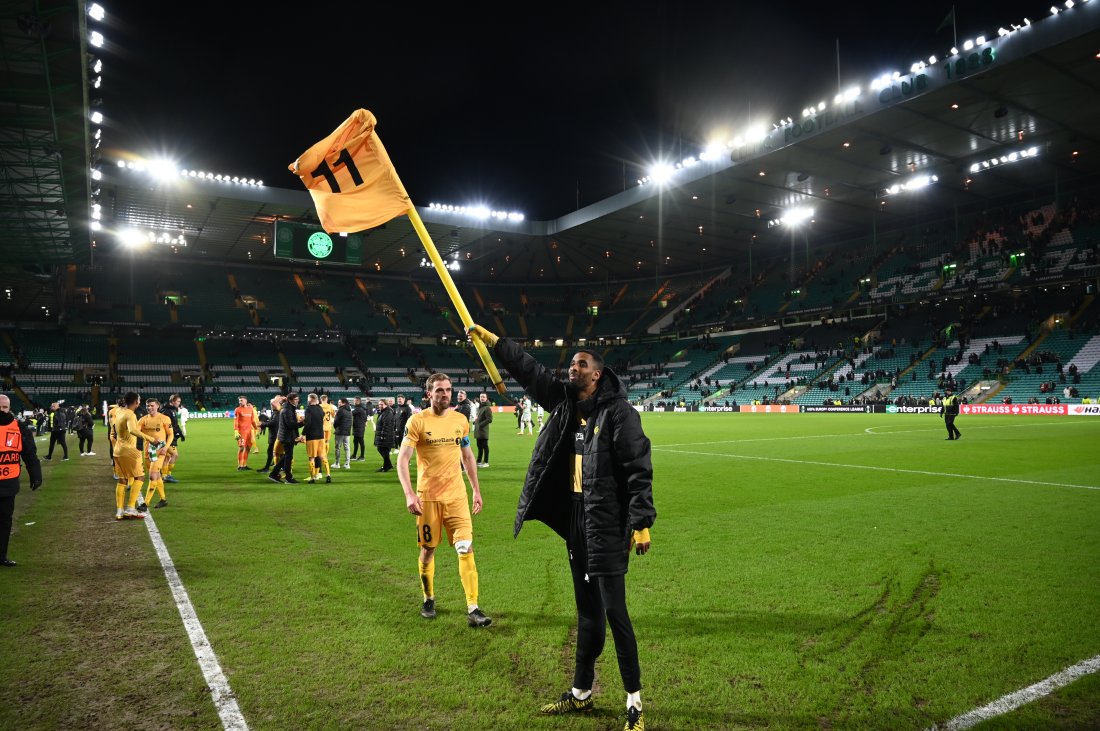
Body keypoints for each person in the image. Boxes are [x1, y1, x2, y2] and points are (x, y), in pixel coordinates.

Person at [471, 324, 654, 731]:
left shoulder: (619, 413)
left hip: (607, 524)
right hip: (575, 519)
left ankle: (635, 702)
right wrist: (496, 343)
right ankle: (581, 694)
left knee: (615, 613)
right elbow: (531, 372)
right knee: (587, 614)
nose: (573, 369)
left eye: (581, 364)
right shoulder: (565, 403)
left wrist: (640, 524)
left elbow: (638, 470)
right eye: (571, 364)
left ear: (598, 374)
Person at [397, 373, 491, 628]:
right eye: (439, 390)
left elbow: (468, 457)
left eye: (448, 390)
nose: (445, 394)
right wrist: (409, 493)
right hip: (428, 499)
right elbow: (402, 460)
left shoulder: (460, 421)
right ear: (429, 394)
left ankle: (473, 607)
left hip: (457, 497)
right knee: (428, 550)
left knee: (465, 547)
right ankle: (428, 597)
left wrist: (476, 490)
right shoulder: (416, 422)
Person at [0, 394, 43, 567]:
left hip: (8, 484)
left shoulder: (19, 427)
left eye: (4, 407)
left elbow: (29, 454)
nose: (1, 410)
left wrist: (36, 474)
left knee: (4, 521)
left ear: (9, 408)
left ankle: (1, 556)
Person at [112, 392, 166, 520]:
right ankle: (130, 508)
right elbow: (132, 430)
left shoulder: (119, 411)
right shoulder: (130, 414)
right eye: (139, 400)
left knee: (123, 480)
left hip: (117, 450)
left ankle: (119, 511)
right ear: (136, 402)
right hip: (129, 450)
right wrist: (151, 439)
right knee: (140, 477)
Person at [138, 398, 173, 508]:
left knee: (153, 476)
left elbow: (170, 434)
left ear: (158, 406)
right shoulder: (143, 420)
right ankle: (163, 499)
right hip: (148, 452)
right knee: (156, 476)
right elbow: (135, 432)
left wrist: (166, 448)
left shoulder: (165, 419)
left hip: (160, 451)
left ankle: (145, 503)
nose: (149, 408)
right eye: (148, 406)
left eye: (152, 405)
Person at [269, 393, 304, 484]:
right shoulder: (287, 410)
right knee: (288, 457)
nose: (297, 400)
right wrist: (302, 422)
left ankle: (273, 474)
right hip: (287, 436)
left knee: (286, 456)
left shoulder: (289, 408)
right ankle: (288, 478)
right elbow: (290, 425)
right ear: (290, 400)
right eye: (296, 399)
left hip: (287, 436)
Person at [302, 393, 330, 484]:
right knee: (323, 456)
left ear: (310, 399)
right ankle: (328, 475)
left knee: (312, 458)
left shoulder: (308, 409)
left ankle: (312, 478)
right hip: (321, 436)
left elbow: (308, 423)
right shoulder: (320, 408)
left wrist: (303, 434)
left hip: (311, 437)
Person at [161, 393, 184, 483]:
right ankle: (167, 475)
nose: (179, 403)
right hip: (167, 438)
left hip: (171, 437)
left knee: (167, 457)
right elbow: (165, 425)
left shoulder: (172, 410)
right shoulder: (166, 411)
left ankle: (164, 476)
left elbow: (175, 424)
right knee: (174, 455)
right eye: (178, 401)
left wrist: (180, 433)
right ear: (173, 401)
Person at [233, 395, 260, 471]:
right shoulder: (237, 410)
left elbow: (252, 421)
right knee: (241, 448)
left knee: (248, 448)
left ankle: (244, 465)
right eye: (239, 400)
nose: (240, 402)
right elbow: (236, 421)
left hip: (249, 432)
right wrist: (236, 431)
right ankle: (239, 465)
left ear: (246, 401)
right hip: (241, 432)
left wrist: (256, 429)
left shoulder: (250, 409)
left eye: (241, 400)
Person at [374, 398, 396, 472]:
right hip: (385, 434)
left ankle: (386, 467)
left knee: (383, 450)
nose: (380, 406)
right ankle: (388, 465)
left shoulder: (388, 412)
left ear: (386, 404)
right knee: (382, 450)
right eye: (379, 404)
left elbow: (387, 425)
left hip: (386, 436)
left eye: (381, 404)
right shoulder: (384, 412)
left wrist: (383, 435)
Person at [474, 392, 493, 467]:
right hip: (478, 430)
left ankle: (486, 462)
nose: (482, 398)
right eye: (481, 397)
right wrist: (475, 422)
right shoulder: (481, 407)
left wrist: (480, 425)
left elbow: (490, 419)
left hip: (483, 431)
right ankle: (478, 461)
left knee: (485, 446)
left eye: (483, 397)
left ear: (486, 398)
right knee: (479, 446)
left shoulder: (487, 408)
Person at [333, 398, 353, 469]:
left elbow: (336, 421)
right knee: (347, 448)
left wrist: (336, 428)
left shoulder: (340, 410)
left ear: (343, 403)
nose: (338, 403)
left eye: (339, 402)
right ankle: (347, 464)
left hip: (340, 431)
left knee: (337, 447)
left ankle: (337, 463)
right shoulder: (349, 410)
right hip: (347, 432)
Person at [320, 393, 337, 475]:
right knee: (327, 441)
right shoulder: (330, 407)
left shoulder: (319, 406)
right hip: (328, 427)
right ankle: (325, 455)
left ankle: (321, 456)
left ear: (321, 399)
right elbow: (334, 415)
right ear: (326, 399)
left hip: (321, 427)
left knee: (321, 443)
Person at [351, 397, 368, 461]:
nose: (354, 402)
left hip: (359, 427)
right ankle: (354, 455)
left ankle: (362, 456)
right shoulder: (361, 408)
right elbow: (365, 418)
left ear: (358, 401)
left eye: (354, 401)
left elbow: (351, 413)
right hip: (358, 427)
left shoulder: (359, 409)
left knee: (360, 441)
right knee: (355, 441)